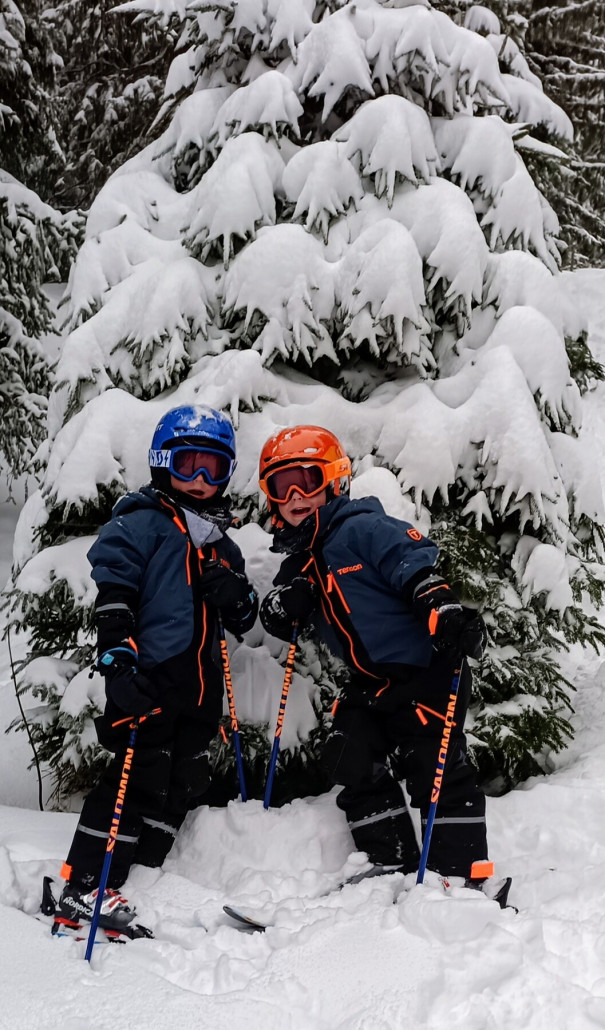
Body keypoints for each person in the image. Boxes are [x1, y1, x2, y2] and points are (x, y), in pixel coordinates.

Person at [257, 425, 506, 901]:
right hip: (370, 682)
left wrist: (444, 611)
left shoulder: (363, 528)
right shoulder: (300, 563)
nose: (294, 496)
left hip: (426, 668)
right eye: (280, 486)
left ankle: (461, 875)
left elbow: (412, 565)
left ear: (334, 482)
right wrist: (290, 602)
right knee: (349, 757)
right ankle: (390, 857)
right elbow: (276, 616)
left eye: (306, 480)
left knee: (435, 766)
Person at [50, 405, 258, 939]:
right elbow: (114, 594)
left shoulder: (221, 542)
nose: (201, 480)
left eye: (213, 469)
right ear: (164, 464)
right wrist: (117, 660)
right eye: (189, 466)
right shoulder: (140, 523)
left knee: (182, 780)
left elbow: (242, 617)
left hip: (199, 687)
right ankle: (85, 884)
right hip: (146, 678)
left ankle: (142, 872)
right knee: (134, 776)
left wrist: (234, 591)